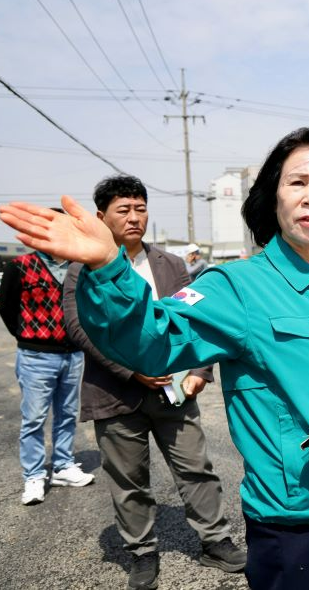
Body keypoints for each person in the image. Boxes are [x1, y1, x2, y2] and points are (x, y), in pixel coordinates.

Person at [0, 127, 309, 590]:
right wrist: (106, 266)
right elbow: (153, 340)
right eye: (296, 183)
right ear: (272, 201)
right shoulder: (235, 287)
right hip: (300, 526)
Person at [62, 175, 244, 589]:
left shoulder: (171, 265)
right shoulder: (82, 269)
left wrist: (199, 372)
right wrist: (133, 371)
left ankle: (216, 541)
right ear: (101, 217)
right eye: (123, 210)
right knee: (129, 481)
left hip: (175, 392)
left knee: (196, 468)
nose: (133, 217)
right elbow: (80, 329)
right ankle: (142, 554)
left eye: (140, 208)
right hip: (116, 392)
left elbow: (196, 319)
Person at [0, 211, 93, 507]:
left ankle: (63, 466)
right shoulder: (21, 265)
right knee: (34, 419)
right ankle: (34, 475)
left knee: (67, 414)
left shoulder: (80, 268)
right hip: (35, 356)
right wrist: (28, 336)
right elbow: (6, 307)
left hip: (73, 355)